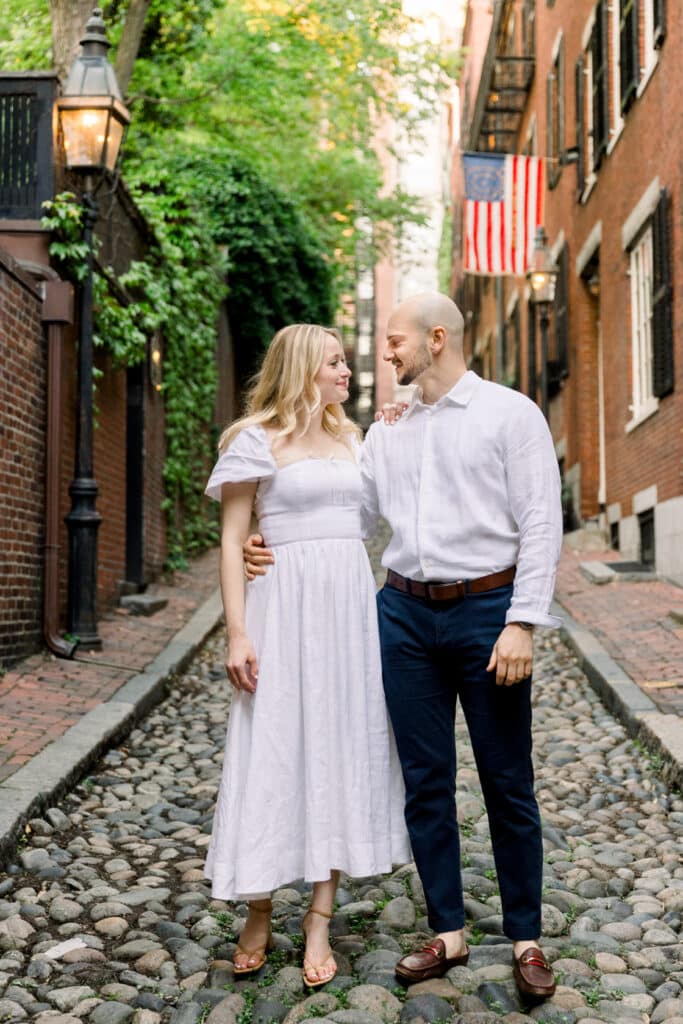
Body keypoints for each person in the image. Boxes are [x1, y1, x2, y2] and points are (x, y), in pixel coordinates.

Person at [245, 293, 563, 1001]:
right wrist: (260, 538)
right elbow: (347, 517)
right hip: (404, 617)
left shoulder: (510, 414)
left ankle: (524, 936)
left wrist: (522, 621)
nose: (383, 354)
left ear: (436, 339)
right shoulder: (384, 432)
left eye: (394, 342)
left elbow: (541, 522)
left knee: (506, 780)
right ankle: (446, 930)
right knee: (425, 781)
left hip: (487, 612)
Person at [203, 323, 410, 988]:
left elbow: (379, 519)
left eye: (346, 364)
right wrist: (237, 633)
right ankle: (258, 906)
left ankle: (320, 916)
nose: (347, 373)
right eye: (335, 363)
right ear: (301, 369)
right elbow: (234, 541)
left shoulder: (354, 439)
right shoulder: (251, 440)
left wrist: (396, 431)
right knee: (272, 746)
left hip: (346, 614)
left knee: (337, 747)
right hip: (278, 610)